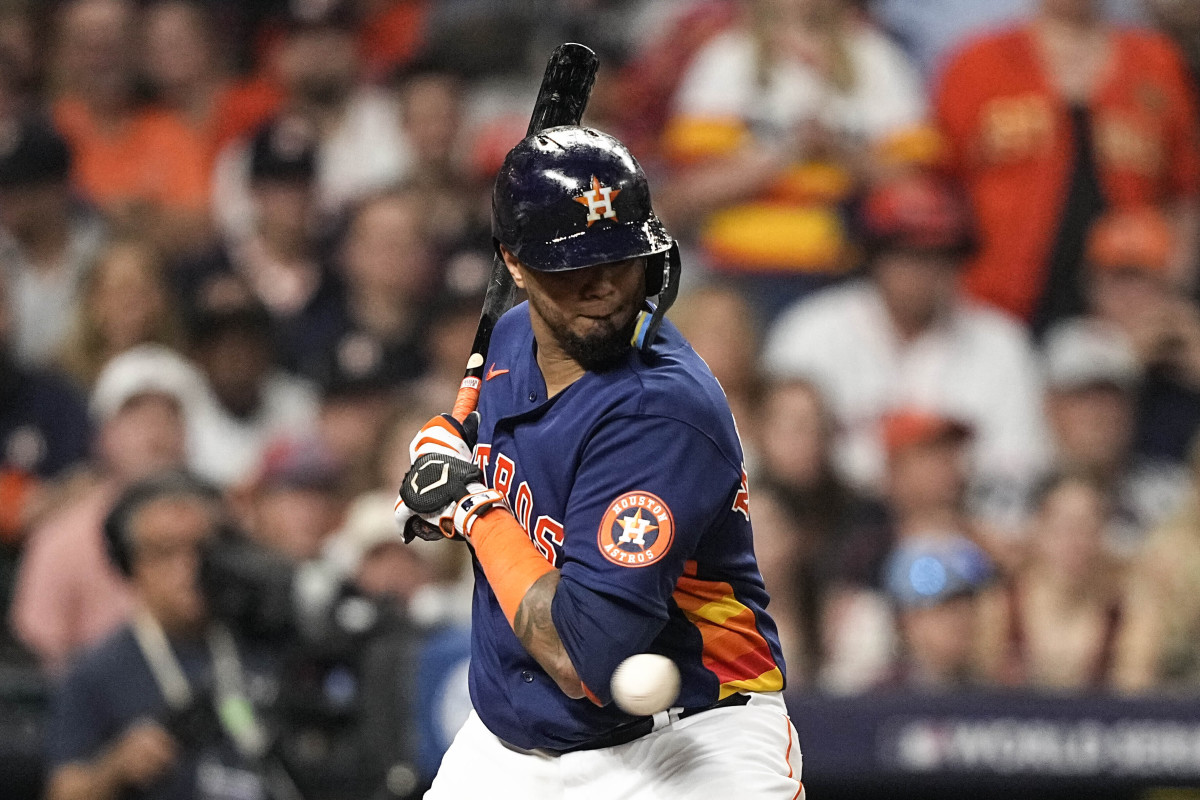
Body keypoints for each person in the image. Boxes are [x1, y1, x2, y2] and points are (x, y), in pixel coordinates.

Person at [394, 126, 802, 797]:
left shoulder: (660, 412)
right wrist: (454, 448)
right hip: (513, 747)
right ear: (516, 265)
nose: (604, 287)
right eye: (573, 265)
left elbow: (580, 653)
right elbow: (514, 461)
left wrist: (469, 508)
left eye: (620, 258)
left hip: (688, 742)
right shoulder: (515, 337)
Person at [764, 171, 1049, 511]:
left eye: (937, 256)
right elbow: (776, 458)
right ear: (874, 258)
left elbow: (1018, 468)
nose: (920, 273)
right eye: (905, 255)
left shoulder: (1001, 343)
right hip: (833, 526)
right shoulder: (812, 330)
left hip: (961, 521)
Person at [934, 0, 1200, 335]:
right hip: (999, 305)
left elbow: (1186, 195)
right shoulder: (978, 62)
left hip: (1127, 309)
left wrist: (1173, 294)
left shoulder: (1156, 61)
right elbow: (942, 187)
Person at [44, 471, 284, 800]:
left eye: (203, 549)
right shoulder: (95, 673)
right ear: (130, 565)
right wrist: (114, 770)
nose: (188, 568)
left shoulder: (267, 646)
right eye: (164, 552)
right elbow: (62, 792)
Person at [10, 344, 202, 673]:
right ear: (103, 435)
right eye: (136, 416)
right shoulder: (62, 536)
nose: (155, 432)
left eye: (170, 415)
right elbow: (37, 654)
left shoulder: (220, 527)